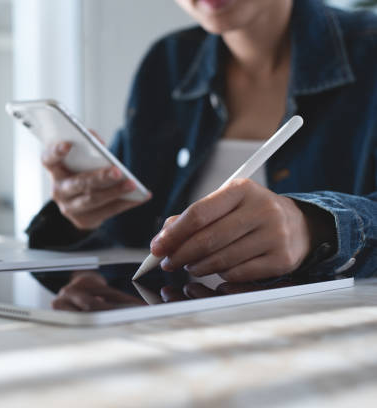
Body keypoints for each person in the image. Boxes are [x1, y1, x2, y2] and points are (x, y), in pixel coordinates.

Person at [26, 0, 377, 291]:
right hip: (177, 336)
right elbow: (131, 231)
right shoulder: (169, 61)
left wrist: (315, 228)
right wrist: (81, 216)